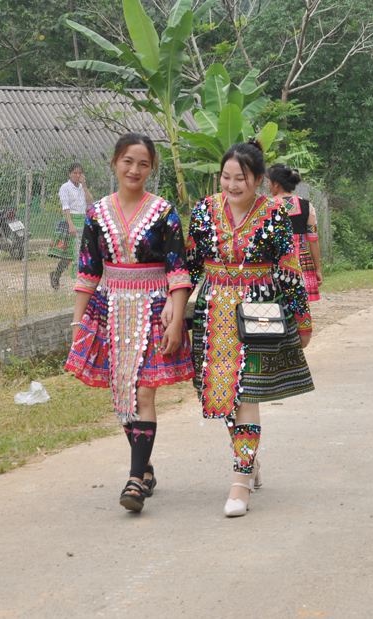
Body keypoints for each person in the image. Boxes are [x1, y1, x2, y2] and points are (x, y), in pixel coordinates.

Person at [186, 139, 314, 518]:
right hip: (213, 312)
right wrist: (174, 309)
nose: (231, 185)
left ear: (258, 179)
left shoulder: (274, 212)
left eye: (239, 178)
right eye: (225, 177)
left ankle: (240, 479)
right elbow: (192, 264)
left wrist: (301, 318)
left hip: (259, 309)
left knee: (248, 392)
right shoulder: (204, 211)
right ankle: (249, 459)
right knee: (223, 394)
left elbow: (288, 267)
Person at [66, 134, 193, 513]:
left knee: (144, 394)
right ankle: (146, 465)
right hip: (110, 310)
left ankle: (135, 481)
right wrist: (78, 323)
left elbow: (178, 269)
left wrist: (176, 313)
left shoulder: (164, 212)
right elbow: (88, 270)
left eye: (142, 163)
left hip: (156, 308)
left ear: (151, 168)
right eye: (127, 161)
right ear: (114, 163)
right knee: (121, 394)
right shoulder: (97, 213)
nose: (134, 170)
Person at [266, 164, 322, 301]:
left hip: (276, 261)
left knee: (277, 303)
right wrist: (317, 270)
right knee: (300, 304)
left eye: (268, 182)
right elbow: (313, 239)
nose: (268, 186)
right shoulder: (306, 205)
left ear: (276, 184)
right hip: (301, 261)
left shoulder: (267, 205)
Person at [49, 162, 95, 290]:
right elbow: (66, 207)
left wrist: (84, 186)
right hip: (71, 221)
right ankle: (55, 275)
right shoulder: (65, 188)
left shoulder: (82, 187)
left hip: (82, 220)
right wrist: (71, 225)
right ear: (70, 174)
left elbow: (90, 202)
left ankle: (82, 282)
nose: (77, 175)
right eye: (75, 173)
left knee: (83, 253)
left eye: (79, 173)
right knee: (69, 256)